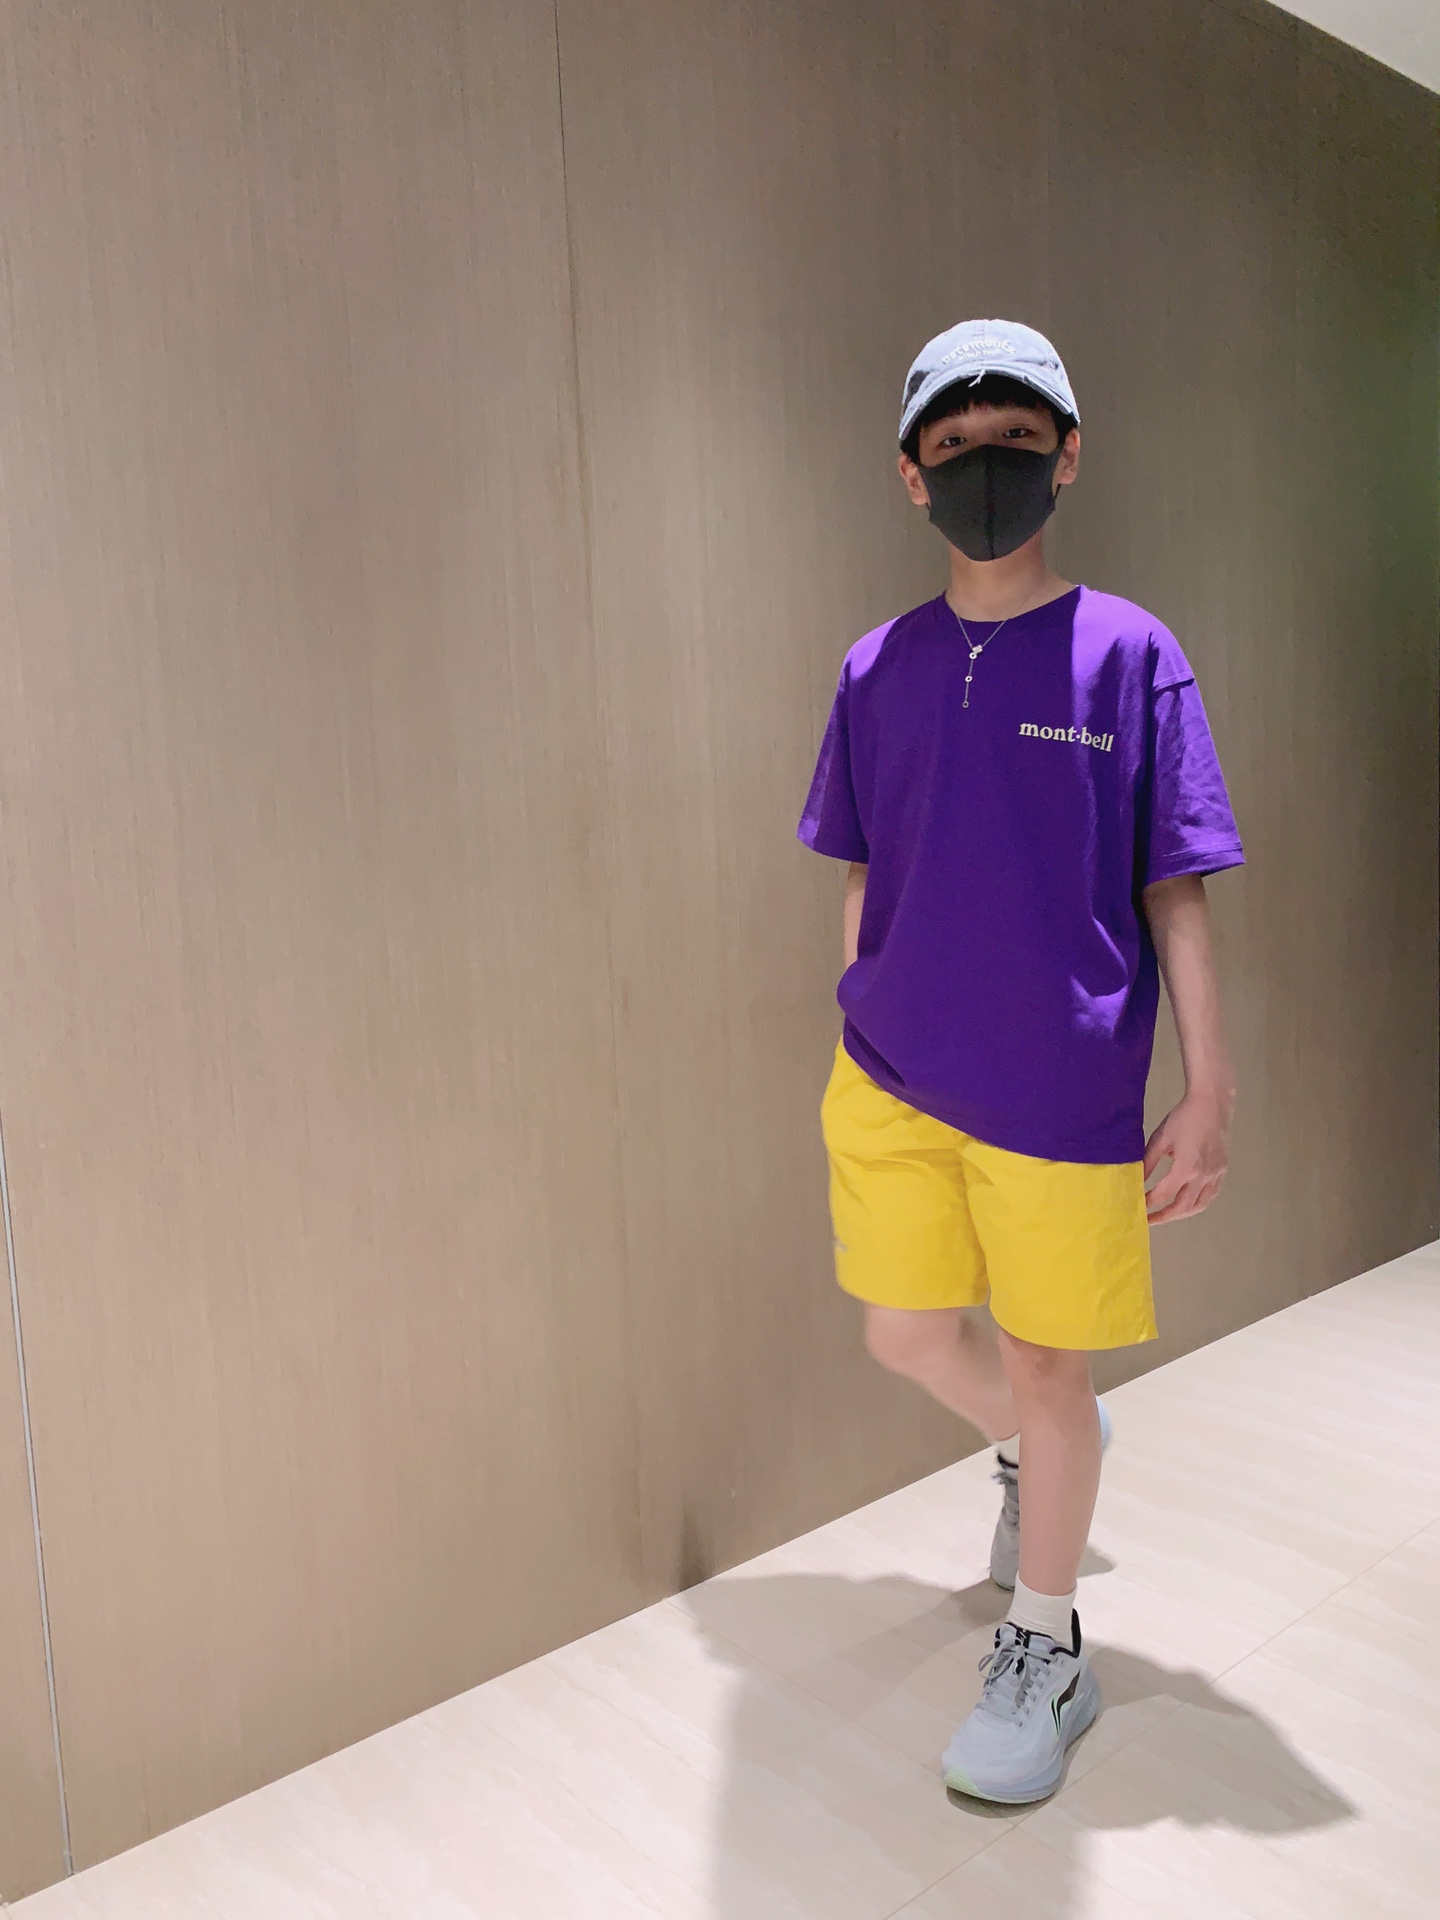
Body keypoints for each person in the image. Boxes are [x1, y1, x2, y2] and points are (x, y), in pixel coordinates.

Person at [797, 318, 1243, 1805]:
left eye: (1015, 441)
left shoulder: (1132, 654)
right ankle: (1040, 1448)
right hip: (890, 1077)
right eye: (955, 444)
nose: (984, 466)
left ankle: (1046, 1647)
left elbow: (1176, 884)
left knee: (1052, 1359)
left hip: (1060, 1089)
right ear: (910, 473)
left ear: (1067, 456)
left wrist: (1209, 1086)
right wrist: (860, 1002)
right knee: (908, 1336)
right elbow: (863, 860)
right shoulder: (876, 667)